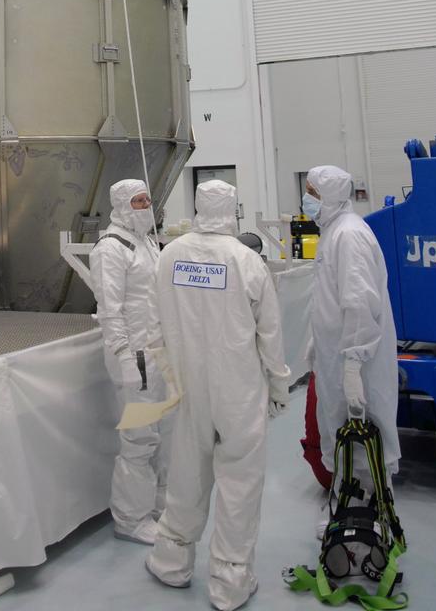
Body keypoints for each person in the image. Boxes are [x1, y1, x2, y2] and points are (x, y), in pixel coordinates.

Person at [146, 180, 290, 610]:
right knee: (239, 480)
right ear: (232, 209)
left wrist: (167, 374)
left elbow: (155, 322)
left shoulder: (169, 255)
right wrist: (279, 384)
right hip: (238, 389)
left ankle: (171, 560)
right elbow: (270, 331)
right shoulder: (245, 260)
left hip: (189, 384)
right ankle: (230, 580)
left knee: (187, 471)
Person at [304, 165, 399, 534]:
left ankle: (364, 520)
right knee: (341, 432)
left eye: (312, 192)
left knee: (360, 435)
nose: (307, 199)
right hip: (337, 354)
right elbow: (332, 298)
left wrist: (353, 362)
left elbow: (359, 302)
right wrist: (317, 342)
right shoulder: (334, 231)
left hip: (356, 361)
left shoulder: (348, 235)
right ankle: (347, 508)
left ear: (329, 195)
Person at [90, 178, 165, 544]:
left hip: (155, 353)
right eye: (138, 201)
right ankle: (131, 519)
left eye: (148, 200)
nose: (146, 206)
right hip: (134, 357)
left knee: (157, 434)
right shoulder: (111, 248)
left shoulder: (146, 242)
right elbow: (109, 308)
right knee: (138, 438)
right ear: (120, 205)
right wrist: (123, 355)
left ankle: (155, 505)